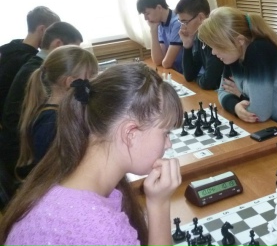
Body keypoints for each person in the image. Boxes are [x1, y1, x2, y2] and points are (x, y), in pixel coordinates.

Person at [0, 62, 183, 245]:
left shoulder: (63, 176)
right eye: (166, 133)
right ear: (130, 134)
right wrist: (159, 204)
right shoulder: (100, 229)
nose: (168, 144)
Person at [197, 6, 277, 160]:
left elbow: (258, 114)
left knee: (234, 158)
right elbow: (223, 90)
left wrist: (241, 95)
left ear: (239, 40)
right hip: (273, 127)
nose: (213, 52)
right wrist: (236, 106)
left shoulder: (259, 51)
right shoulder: (234, 54)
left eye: (217, 46)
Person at [0, 21, 84, 176]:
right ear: (58, 44)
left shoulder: (35, 66)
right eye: (73, 51)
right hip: (22, 158)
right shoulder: (39, 73)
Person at [15, 45, 99, 181]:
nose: (95, 82)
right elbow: (61, 171)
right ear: (71, 82)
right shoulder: (51, 122)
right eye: (92, 76)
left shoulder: (60, 114)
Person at [0, 6, 60, 118]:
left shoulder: (11, 49)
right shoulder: (29, 61)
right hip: (13, 119)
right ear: (42, 30)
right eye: (53, 33)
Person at [175, 0, 224, 90]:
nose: (182, 28)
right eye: (181, 22)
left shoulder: (216, 38)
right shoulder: (199, 37)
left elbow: (208, 83)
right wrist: (187, 46)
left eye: (185, 22)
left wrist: (197, 79)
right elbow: (189, 76)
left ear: (201, 18)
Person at [137, 0, 183, 73]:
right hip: (177, 70)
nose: (145, 18)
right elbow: (158, 60)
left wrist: (164, 61)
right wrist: (153, 30)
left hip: (191, 74)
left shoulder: (177, 22)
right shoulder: (159, 23)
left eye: (147, 13)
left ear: (159, 8)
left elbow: (167, 63)